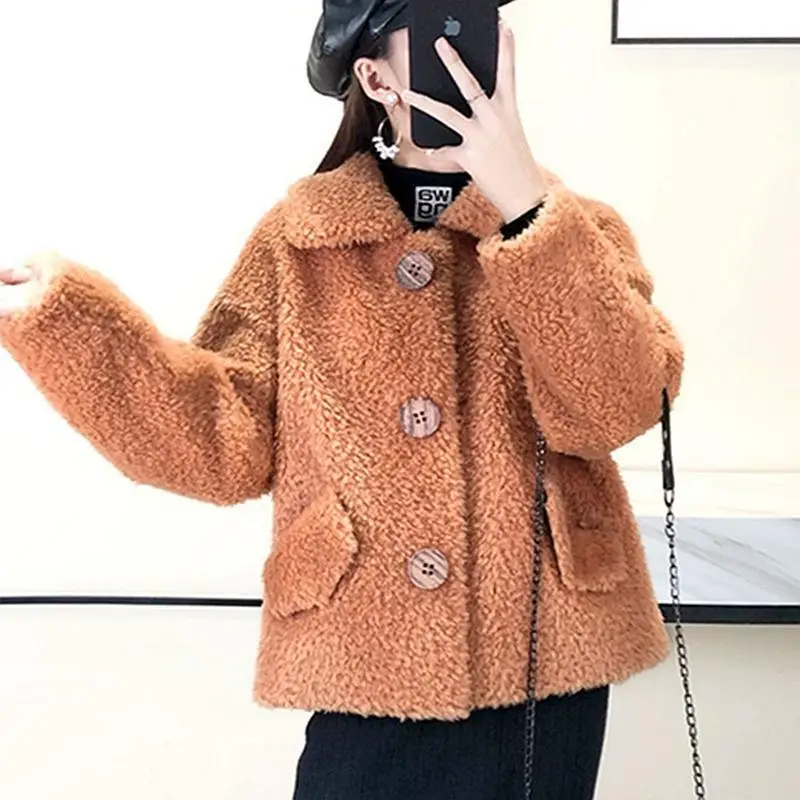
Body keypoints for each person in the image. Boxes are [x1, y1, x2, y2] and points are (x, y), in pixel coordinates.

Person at [0, 2, 684, 798]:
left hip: (540, 652)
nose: (467, 44)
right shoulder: (299, 240)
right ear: (375, 76)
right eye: (438, 24)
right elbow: (222, 444)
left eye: (480, 19)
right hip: (365, 643)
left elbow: (619, 406)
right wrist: (67, 326)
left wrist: (524, 205)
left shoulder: (573, 230)